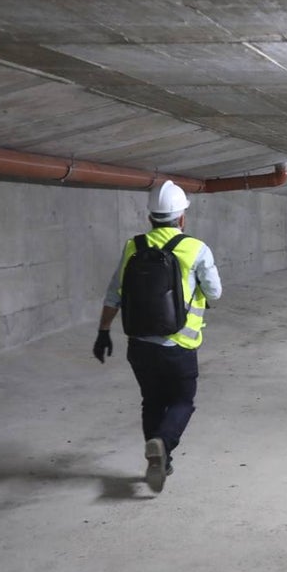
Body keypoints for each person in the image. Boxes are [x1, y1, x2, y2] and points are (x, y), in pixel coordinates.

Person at [92, 180, 222, 492]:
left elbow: (114, 294)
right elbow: (215, 293)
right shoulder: (195, 248)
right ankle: (162, 445)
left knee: (151, 400)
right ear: (182, 219)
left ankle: (161, 458)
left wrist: (103, 332)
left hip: (139, 346)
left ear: (150, 218)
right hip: (179, 346)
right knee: (182, 401)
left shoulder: (133, 247)